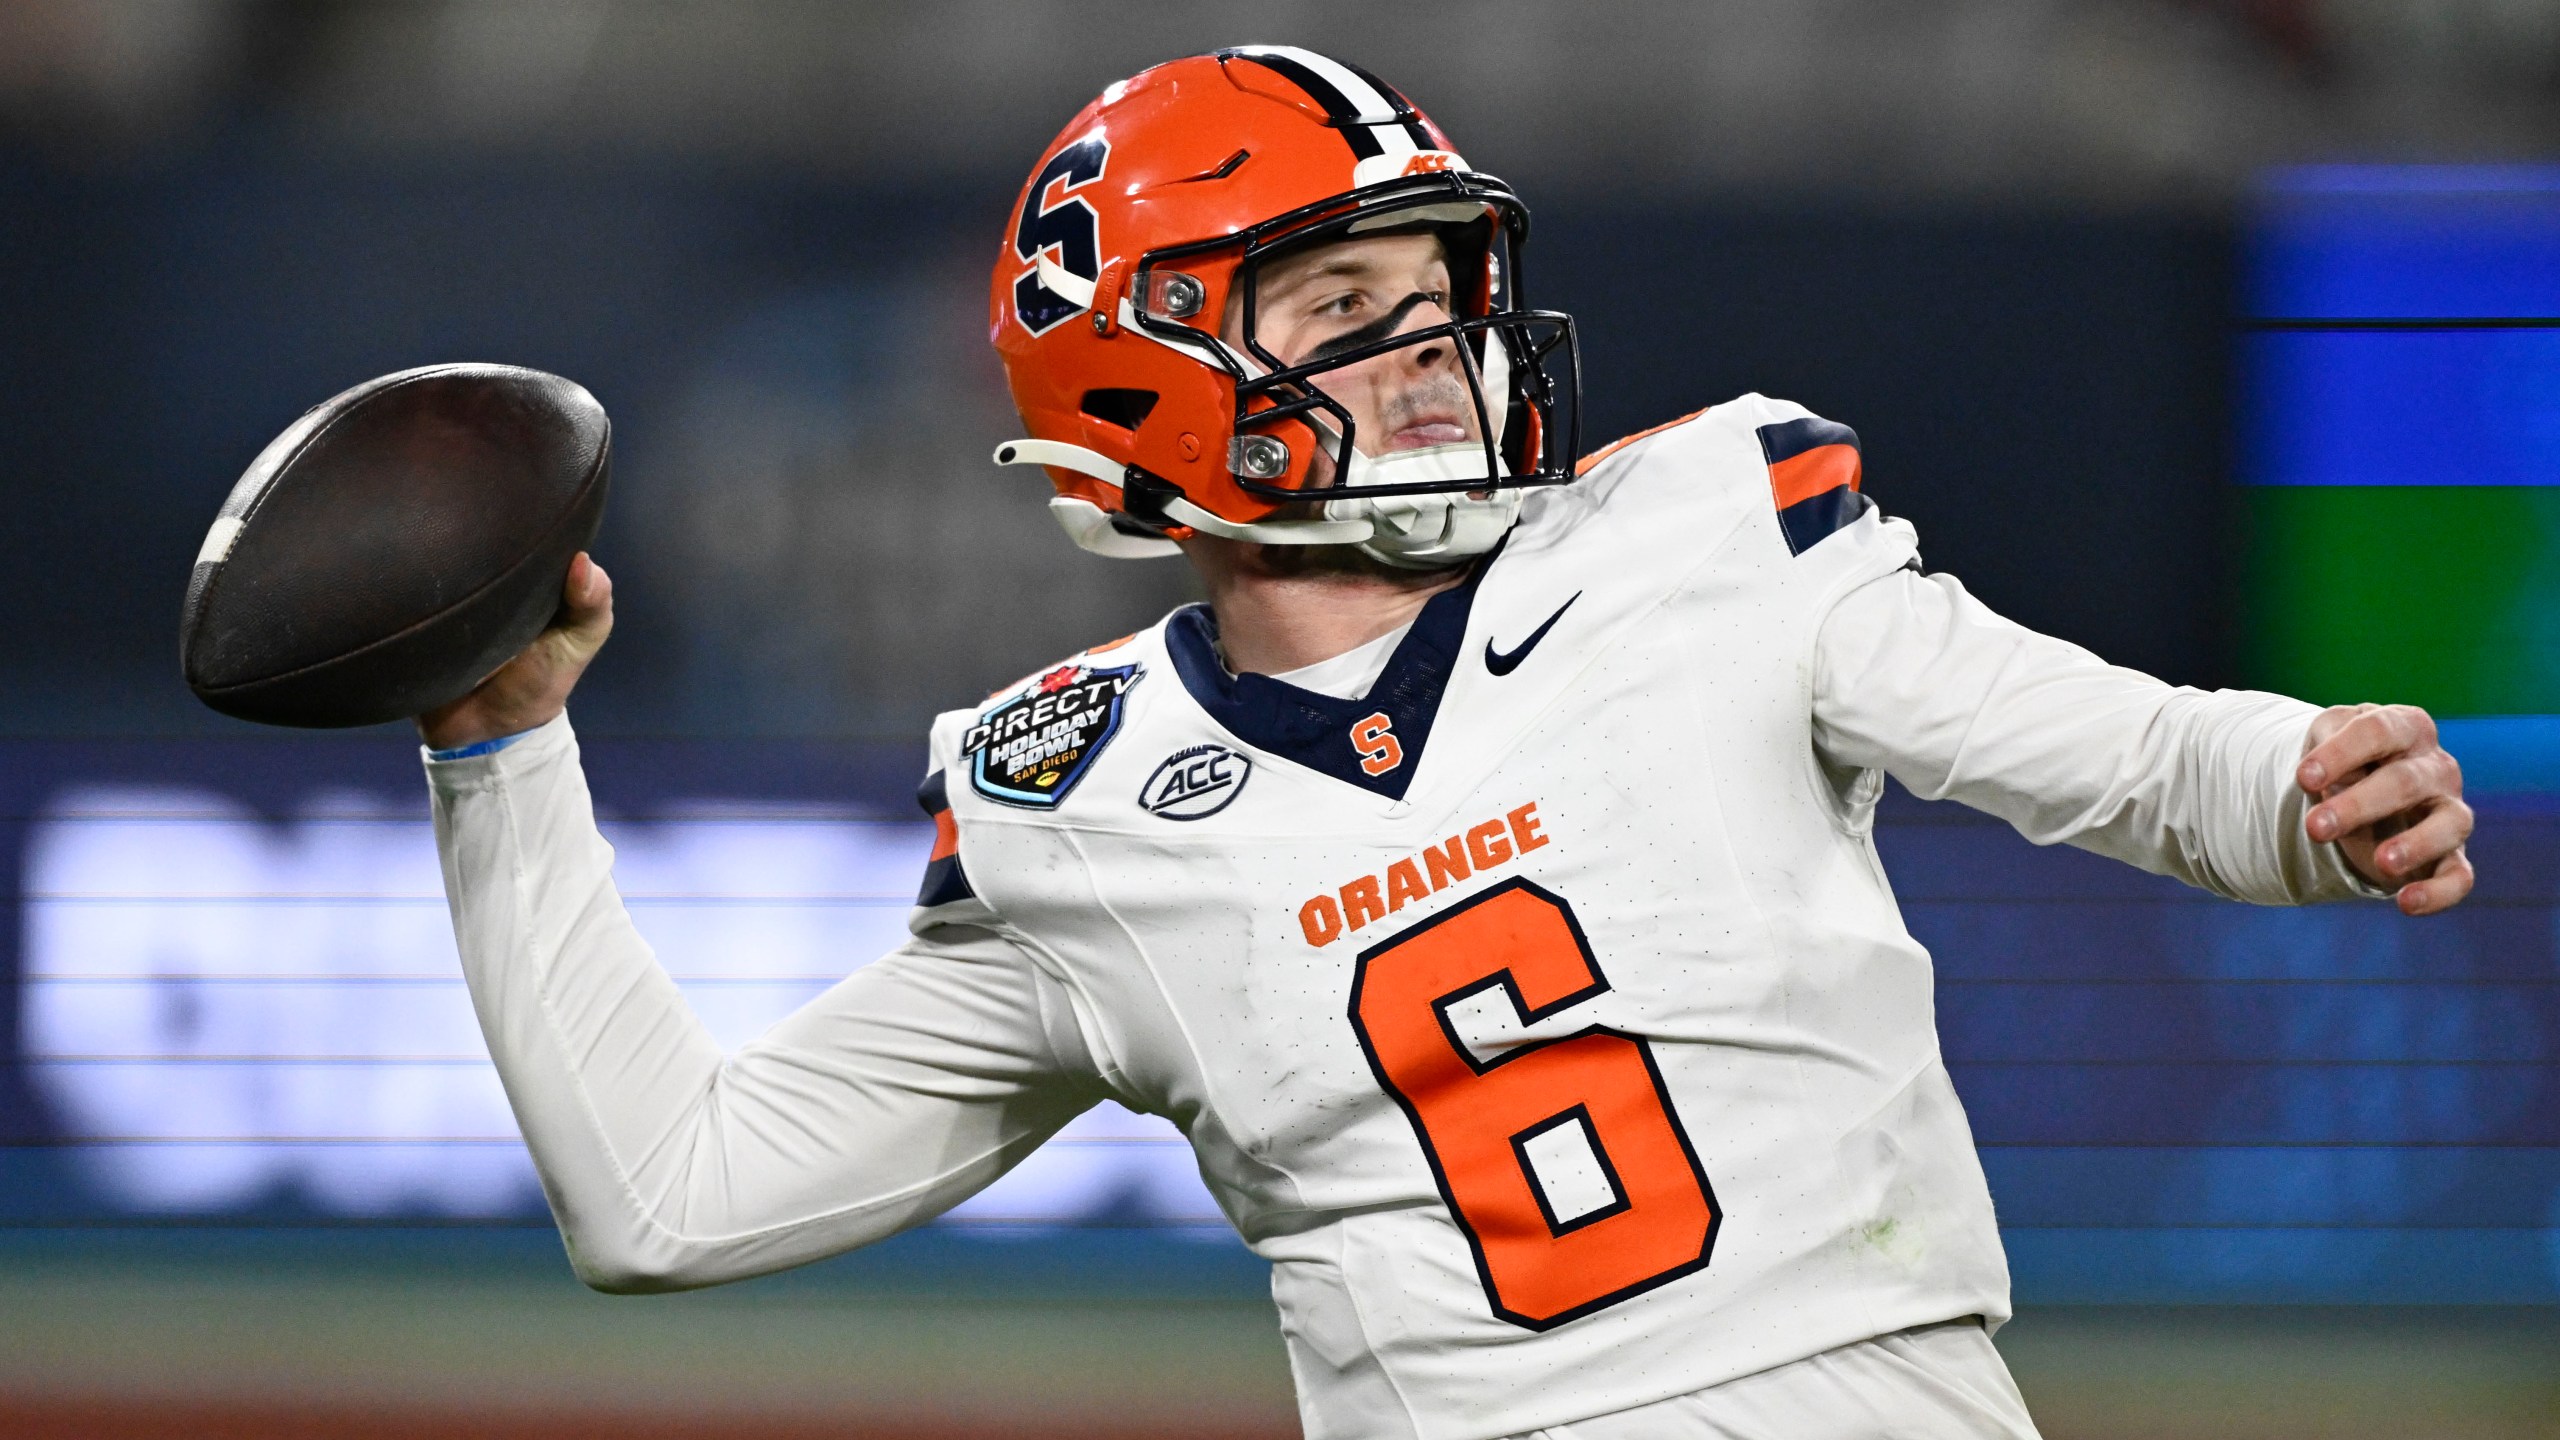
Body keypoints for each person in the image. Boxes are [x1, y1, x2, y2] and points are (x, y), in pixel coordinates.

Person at [417, 46, 2474, 1440]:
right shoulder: (1073, 797)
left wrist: (2289, 786)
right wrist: (503, 759)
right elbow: (667, 1196)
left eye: (1435, 286)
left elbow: (2103, 749)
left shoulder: (1706, 534)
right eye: (1336, 310)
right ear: (1146, 391)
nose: (1427, 351)